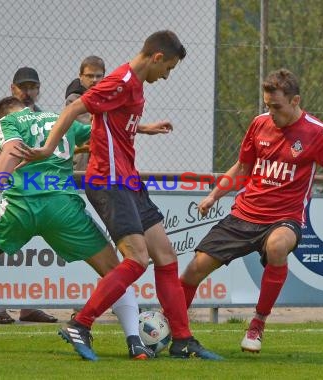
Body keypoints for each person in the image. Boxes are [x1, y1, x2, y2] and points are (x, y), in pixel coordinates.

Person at [14, 30, 222, 361]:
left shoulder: (134, 85)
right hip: (108, 181)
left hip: (128, 180)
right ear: (156, 57)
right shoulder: (121, 80)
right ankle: (80, 324)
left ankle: (182, 340)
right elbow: (73, 111)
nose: (166, 76)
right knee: (137, 259)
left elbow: (111, 120)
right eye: (167, 68)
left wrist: (143, 127)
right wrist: (47, 149)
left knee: (166, 256)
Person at [0, 96, 154, 360]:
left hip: (20, 207)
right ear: (29, 108)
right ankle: (135, 343)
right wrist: (143, 128)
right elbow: (101, 134)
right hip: (62, 208)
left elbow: (11, 150)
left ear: (0, 117)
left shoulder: (6, 123)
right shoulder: (59, 119)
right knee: (114, 270)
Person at [179, 68, 323, 353]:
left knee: (276, 247)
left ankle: (257, 325)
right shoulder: (259, 124)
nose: (271, 112)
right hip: (244, 213)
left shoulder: (317, 132)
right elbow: (242, 168)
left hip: (285, 218)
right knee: (192, 271)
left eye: (277, 106)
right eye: (267, 106)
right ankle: (174, 329)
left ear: (295, 100)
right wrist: (214, 195)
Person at [0, 67, 57, 324]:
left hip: (41, 193)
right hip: (14, 191)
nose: (28, 92)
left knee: (35, 252)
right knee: (1, 248)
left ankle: (29, 307)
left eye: (32, 87)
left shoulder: (47, 117)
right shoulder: (3, 117)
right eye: (23, 87)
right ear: (12, 89)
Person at [64, 55, 106, 171]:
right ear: (81, 77)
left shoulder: (108, 98)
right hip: (81, 160)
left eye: (98, 76)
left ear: (104, 77)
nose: (94, 80)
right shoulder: (74, 100)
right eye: (89, 76)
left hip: (103, 161)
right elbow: (88, 128)